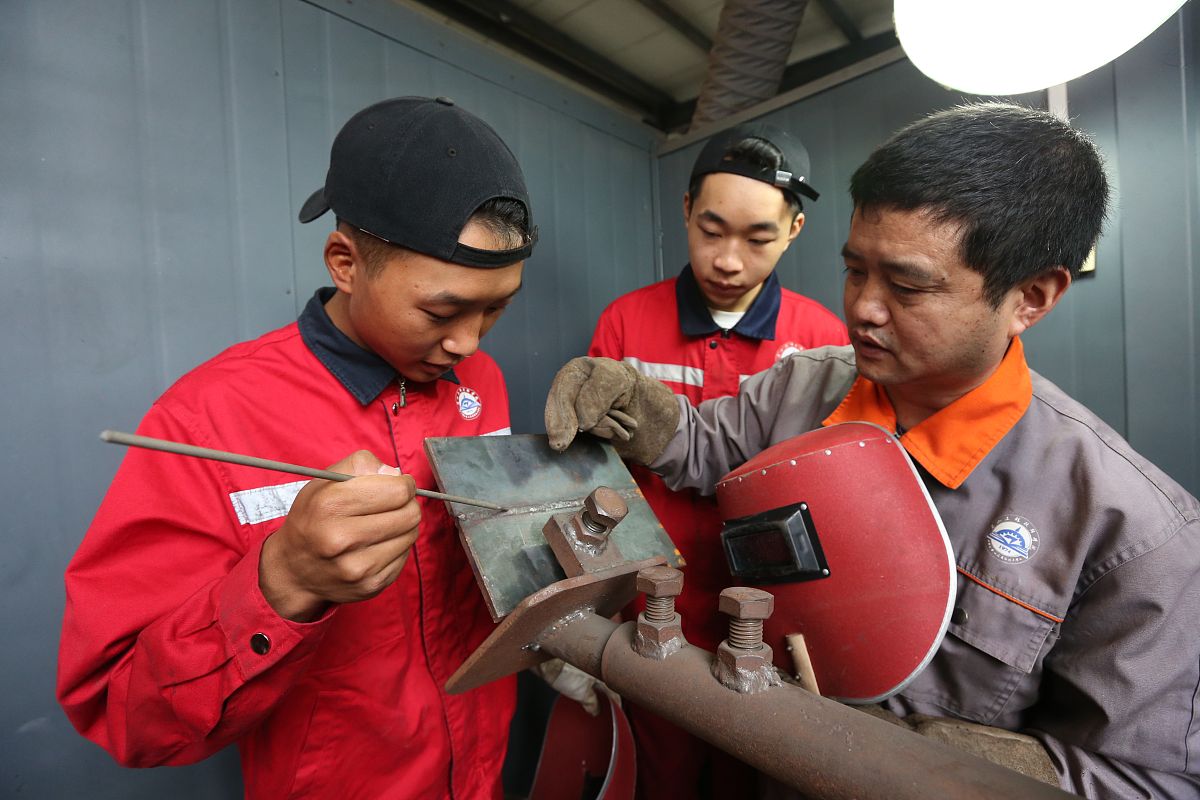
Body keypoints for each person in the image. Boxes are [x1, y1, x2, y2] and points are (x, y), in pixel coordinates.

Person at [544, 102, 1200, 798]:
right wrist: (639, 409)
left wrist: (947, 764)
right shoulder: (802, 387)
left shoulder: (1136, 537)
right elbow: (705, 447)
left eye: (907, 286)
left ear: (1031, 297)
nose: (862, 308)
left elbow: (1150, 780)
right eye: (855, 270)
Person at [57, 96, 535, 799]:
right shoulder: (207, 420)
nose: (468, 342)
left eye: (496, 307)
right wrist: (282, 581)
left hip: (482, 774)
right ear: (345, 263)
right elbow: (121, 712)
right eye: (442, 310)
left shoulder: (481, 383)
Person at [584, 123, 847, 798]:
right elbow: (595, 477)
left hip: (769, 618)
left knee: (751, 777)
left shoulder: (823, 342)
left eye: (757, 238)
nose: (727, 260)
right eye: (711, 230)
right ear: (686, 211)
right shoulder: (624, 324)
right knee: (660, 777)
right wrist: (589, 611)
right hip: (649, 606)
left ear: (794, 230)